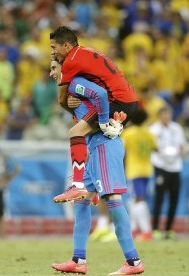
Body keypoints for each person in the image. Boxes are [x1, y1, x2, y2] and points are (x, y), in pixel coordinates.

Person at [49, 58, 144, 275]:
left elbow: (100, 96)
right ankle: (78, 259)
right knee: (81, 203)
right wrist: (68, 103)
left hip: (104, 147)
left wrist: (102, 121)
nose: (51, 73)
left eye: (54, 68)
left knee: (112, 199)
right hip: (95, 149)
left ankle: (133, 262)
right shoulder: (74, 91)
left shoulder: (77, 83)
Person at [50, 26, 139, 203]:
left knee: (76, 132)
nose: (53, 51)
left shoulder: (70, 63)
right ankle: (91, 185)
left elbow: (61, 99)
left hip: (116, 102)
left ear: (66, 46)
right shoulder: (87, 51)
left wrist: (102, 120)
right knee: (91, 139)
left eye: (54, 47)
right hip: (129, 100)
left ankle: (78, 185)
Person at [149, 105, 187, 240]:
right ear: (159, 116)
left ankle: (169, 229)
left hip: (175, 166)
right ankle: (155, 228)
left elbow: (182, 145)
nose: (166, 117)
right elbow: (151, 147)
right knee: (159, 198)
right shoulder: (153, 130)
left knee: (174, 198)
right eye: (164, 115)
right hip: (160, 166)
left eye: (168, 115)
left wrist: (183, 151)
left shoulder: (176, 128)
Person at [122, 108, 157, 241]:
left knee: (138, 200)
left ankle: (146, 232)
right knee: (135, 199)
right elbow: (156, 148)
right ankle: (133, 230)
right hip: (147, 169)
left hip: (134, 170)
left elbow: (122, 151)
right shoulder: (149, 133)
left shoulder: (128, 134)